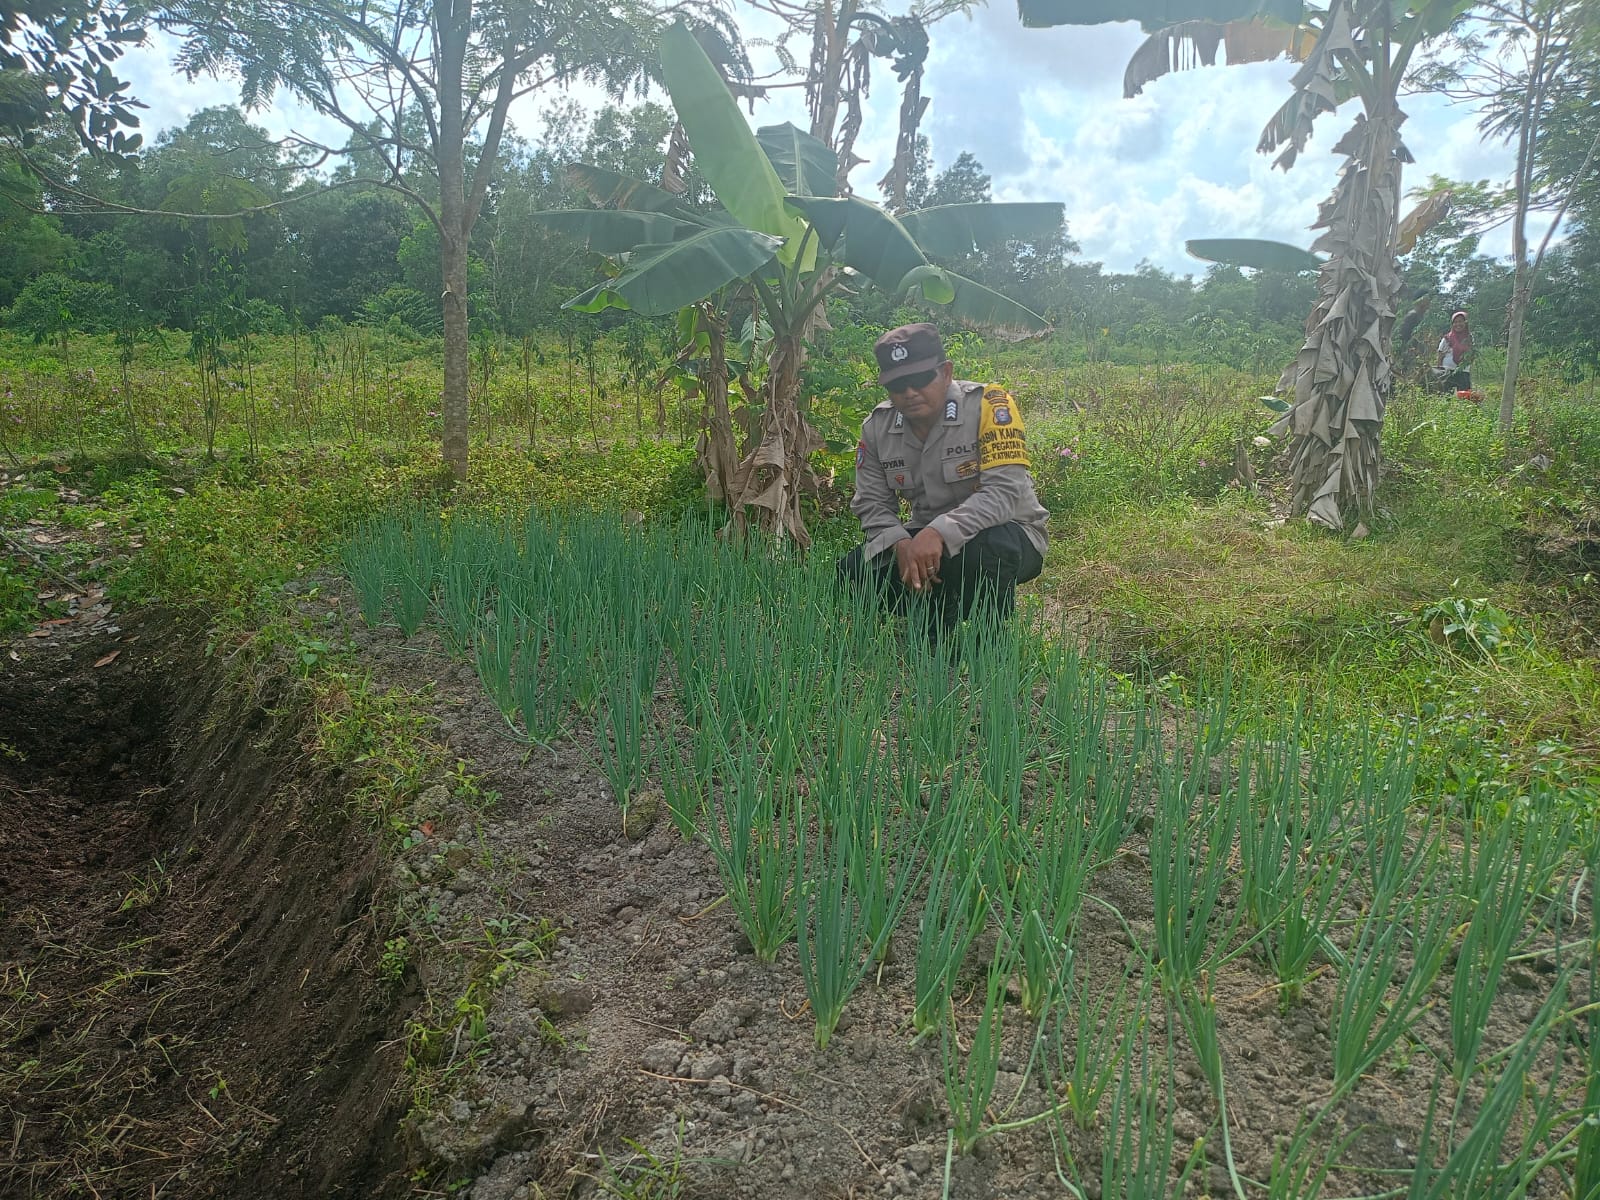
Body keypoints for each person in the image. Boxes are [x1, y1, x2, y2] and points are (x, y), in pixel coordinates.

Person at [837, 323, 1049, 634]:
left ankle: (987, 640)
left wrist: (938, 532)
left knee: (985, 551)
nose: (910, 392)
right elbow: (871, 502)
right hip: (923, 541)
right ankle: (935, 617)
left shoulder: (989, 405)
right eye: (898, 385)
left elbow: (1005, 493)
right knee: (854, 572)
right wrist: (900, 544)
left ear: (946, 372)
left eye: (921, 379)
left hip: (1007, 535)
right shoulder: (877, 427)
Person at [1436, 310, 1474, 392]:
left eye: (1460, 321)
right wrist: (1440, 372)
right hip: (1447, 372)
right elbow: (1440, 355)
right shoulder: (1447, 338)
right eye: (1455, 322)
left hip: (1463, 371)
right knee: (1446, 396)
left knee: (1465, 397)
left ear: (1465, 323)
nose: (1458, 324)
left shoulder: (1469, 338)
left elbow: (1471, 355)